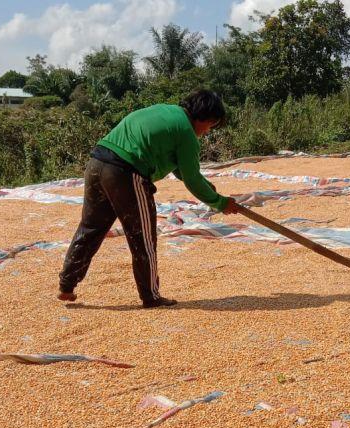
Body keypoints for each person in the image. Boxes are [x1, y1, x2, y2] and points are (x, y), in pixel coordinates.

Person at [57, 89, 245, 307]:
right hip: (125, 172)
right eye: (210, 126)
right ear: (204, 117)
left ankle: (66, 285)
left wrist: (208, 189)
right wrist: (221, 203)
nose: (207, 131)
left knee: (91, 227)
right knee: (143, 236)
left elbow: (181, 169)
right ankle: (150, 296)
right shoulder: (186, 132)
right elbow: (191, 180)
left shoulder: (166, 112)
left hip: (97, 164)